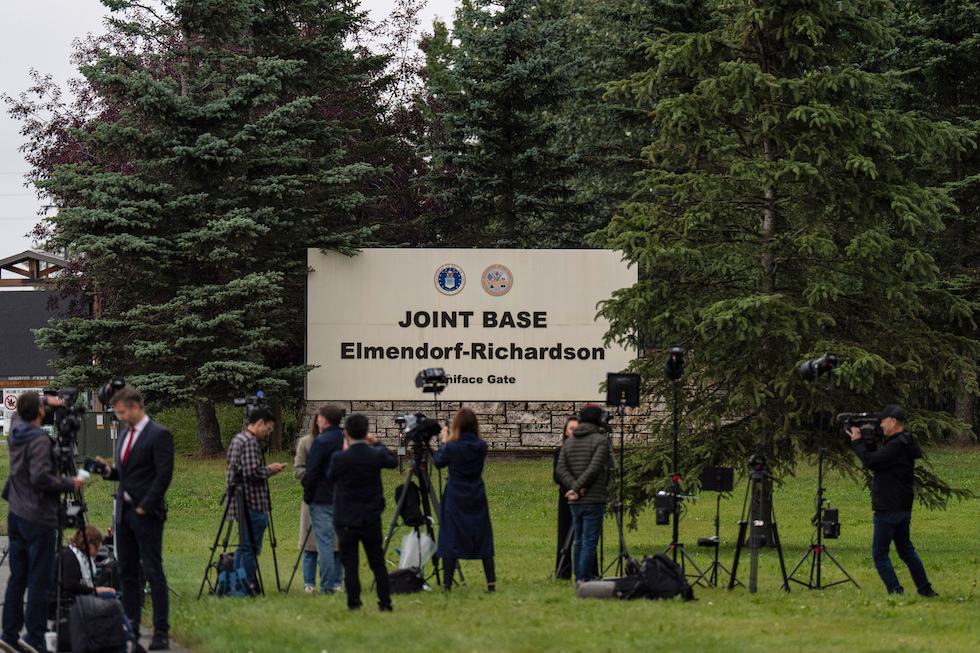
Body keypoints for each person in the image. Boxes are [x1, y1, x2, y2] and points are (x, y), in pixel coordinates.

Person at [2, 392, 84, 653]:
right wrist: (71, 483)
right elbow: (40, 478)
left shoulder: (16, 429)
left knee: (18, 577)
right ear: (39, 412)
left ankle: (9, 633)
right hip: (38, 516)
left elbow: (18, 411)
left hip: (16, 512)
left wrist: (48, 400)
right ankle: (35, 636)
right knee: (39, 578)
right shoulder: (38, 440)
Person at [97, 386, 174, 651]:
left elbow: (163, 475)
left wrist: (145, 506)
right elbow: (126, 473)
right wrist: (108, 471)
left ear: (135, 407)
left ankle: (161, 631)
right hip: (124, 513)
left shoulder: (159, 435)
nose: (118, 417)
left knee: (152, 570)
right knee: (127, 572)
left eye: (120, 412)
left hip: (146, 514)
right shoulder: (125, 436)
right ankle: (131, 629)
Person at [848, 404, 938, 597]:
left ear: (893, 421)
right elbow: (879, 461)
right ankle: (925, 589)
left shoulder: (897, 445)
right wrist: (869, 443)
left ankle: (896, 592)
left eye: (882, 421)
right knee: (906, 550)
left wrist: (857, 443)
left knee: (880, 554)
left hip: (888, 507)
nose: (880, 425)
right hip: (902, 506)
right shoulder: (903, 442)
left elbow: (872, 462)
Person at [326, 413, 397, 611]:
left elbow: (330, 478)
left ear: (346, 433)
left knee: (350, 563)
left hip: (347, 516)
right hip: (370, 515)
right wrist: (377, 443)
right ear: (366, 433)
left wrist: (343, 450)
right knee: (377, 562)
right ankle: (385, 602)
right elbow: (392, 461)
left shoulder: (340, 457)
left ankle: (354, 602)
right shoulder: (374, 454)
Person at [433, 407, 496, 592]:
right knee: (482, 534)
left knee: (451, 535)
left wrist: (444, 440)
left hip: (455, 493)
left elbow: (439, 461)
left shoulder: (452, 446)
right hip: (476, 492)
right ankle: (490, 583)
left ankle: (447, 585)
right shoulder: (481, 446)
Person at [226, 408, 287, 590]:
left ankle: (237, 584)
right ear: (259, 422)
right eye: (268, 429)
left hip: (239, 502)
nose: (268, 433)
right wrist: (271, 469)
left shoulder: (237, 439)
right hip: (252, 503)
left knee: (243, 547)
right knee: (250, 549)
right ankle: (245, 586)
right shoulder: (250, 442)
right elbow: (251, 471)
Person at [555, 404, 609, 583]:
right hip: (593, 498)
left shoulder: (569, 442)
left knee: (578, 540)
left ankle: (579, 576)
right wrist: (579, 487)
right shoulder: (600, 441)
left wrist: (573, 488)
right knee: (589, 541)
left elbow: (561, 469)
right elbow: (595, 467)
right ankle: (584, 578)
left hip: (574, 500)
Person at [302, 405, 346, 595]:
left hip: (322, 497)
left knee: (325, 543)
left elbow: (311, 471)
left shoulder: (321, 442)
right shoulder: (346, 439)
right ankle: (339, 582)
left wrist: (308, 494)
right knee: (340, 542)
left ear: (325, 420)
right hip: (343, 497)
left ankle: (327, 586)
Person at [293, 414, 321, 592]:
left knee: (335, 543)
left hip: (332, 496)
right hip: (312, 494)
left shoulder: (338, 440)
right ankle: (309, 583)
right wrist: (314, 475)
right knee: (309, 544)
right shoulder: (306, 442)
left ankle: (335, 582)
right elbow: (298, 470)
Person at [56, 525, 117, 599]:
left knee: (117, 594)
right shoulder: (70, 556)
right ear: (87, 543)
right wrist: (94, 590)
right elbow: (71, 585)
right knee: (111, 596)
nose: (98, 549)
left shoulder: (83, 557)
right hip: (71, 598)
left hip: (80, 594)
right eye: (96, 545)